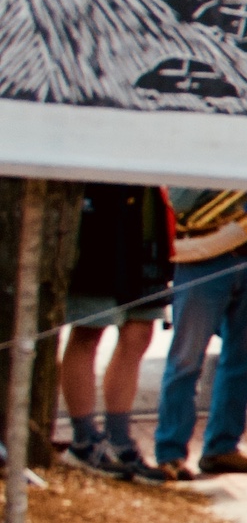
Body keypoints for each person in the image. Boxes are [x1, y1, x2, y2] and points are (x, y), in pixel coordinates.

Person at [153, 190, 247, 480]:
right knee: (186, 360)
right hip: (201, 257)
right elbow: (178, 200)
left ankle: (224, 447)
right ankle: (170, 452)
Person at [62, 183, 172, 481]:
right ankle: (84, 441)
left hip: (144, 225)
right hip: (100, 224)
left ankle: (118, 440)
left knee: (139, 333)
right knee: (88, 331)